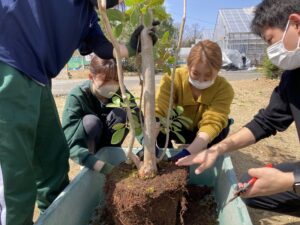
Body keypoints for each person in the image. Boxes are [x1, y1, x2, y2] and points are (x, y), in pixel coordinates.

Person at [0, 0, 158, 224]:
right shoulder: (77, 95)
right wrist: (103, 167)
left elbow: (102, 46)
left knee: (52, 163)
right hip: (7, 65)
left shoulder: (87, 15)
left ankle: (58, 219)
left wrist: (133, 47)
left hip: (40, 80)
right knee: (14, 178)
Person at [176, 0, 300, 217]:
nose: (271, 51)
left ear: (295, 23)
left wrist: (291, 181)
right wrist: (216, 149)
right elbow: (265, 122)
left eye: (270, 40)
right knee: (247, 188)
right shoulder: (293, 79)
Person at [155, 40, 234, 161]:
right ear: (188, 65)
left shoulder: (224, 88)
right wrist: (149, 145)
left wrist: (187, 153)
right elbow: (159, 110)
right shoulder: (172, 79)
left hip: (202, 133)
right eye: (195, 73)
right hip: (176, 128)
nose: (201, 80)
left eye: (208, 76)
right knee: (157, 122)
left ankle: (204, 152)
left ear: (218, 70)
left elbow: (213, 122)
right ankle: (163, 154)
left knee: (223, 127)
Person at [62, 56, 141, 173]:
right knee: (90, 122)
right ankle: (91, 161)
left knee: (120, 113)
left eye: (116, 80)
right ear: (91, 77)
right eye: (106, 80)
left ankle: (111, 155)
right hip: (90, 150)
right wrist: (97, 165)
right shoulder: (78, 96)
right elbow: (69, 142)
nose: (112, 85)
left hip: (110, 143)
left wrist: (147, 149)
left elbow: (138, 119)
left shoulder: (121, 93)